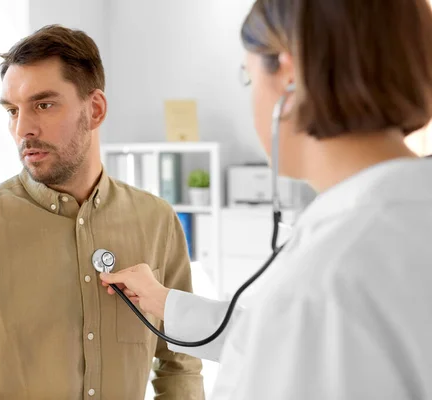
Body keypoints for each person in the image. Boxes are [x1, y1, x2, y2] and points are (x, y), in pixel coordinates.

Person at [100, 0, 432, 399]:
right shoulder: (394, 228)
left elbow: (300, 333)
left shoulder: (325, 278)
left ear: (288, 79)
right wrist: (163, 301)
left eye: (248, 76)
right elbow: (283, 337)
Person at [0, 25, 204, 399]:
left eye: (43, 105)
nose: (23, 128)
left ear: (94, 109)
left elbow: (179, 363)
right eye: (13, 110)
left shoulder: (158, 221)